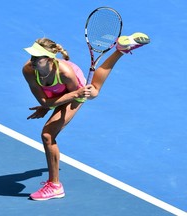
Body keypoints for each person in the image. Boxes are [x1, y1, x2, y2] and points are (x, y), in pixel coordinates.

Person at [22, 33, 150, 201]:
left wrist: (83, 94)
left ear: (50, 59)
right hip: (60, 91)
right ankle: (121, 49)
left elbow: (75, 96)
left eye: (37, 58)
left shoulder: (66, 73)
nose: (32, 60)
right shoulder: (28, 70)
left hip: (75, 90)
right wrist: (46, 107)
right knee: (50, 123)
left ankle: (55, 186)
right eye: (32, 56)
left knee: (50, 132)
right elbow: (46, 101)